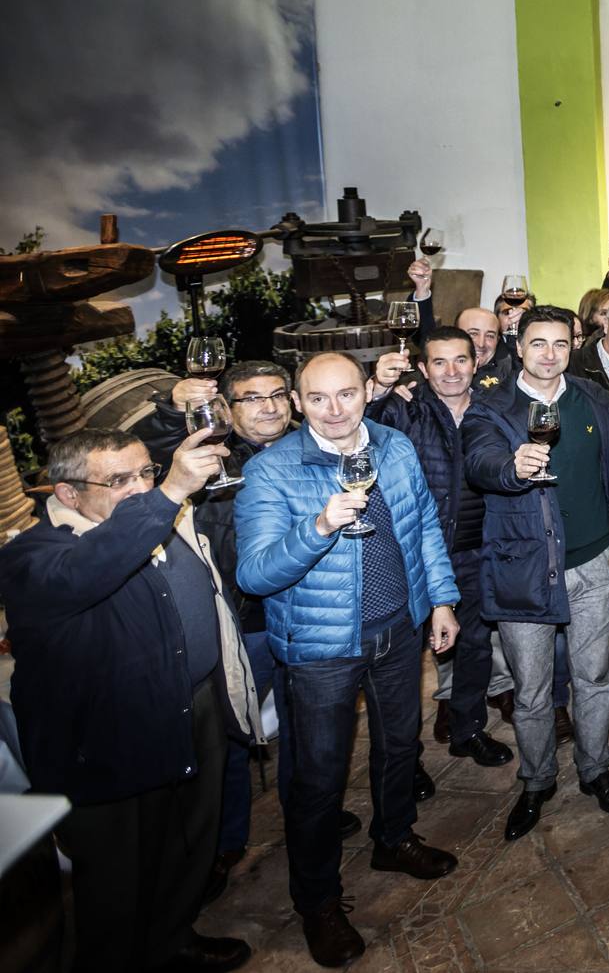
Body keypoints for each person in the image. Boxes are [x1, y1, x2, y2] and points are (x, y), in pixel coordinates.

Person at [0, 427, 258, 973]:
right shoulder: (33, 557)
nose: (142, 488)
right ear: (67, 493)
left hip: (193, 710)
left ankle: (172, 938)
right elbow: (91, 572)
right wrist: (166, 494)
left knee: (188, 846)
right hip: (109, 742)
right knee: (116, 880)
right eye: (120, 479)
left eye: (146, 472)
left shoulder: (152, 523)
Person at [237, 353, 461, 966]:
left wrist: (440, 599)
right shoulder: (272, 470)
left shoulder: (392, 445)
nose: (335, 410)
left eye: (346, 394)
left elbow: (423, 532)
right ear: (296, 402)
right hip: (322, 648)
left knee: (399, 744)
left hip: (398, 628)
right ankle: (318, 901)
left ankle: (394, 838)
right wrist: (318, 526)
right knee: (319, 777)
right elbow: (254, 573)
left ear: (368, 391)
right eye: (317, 398)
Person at [462, 306, 609, 843]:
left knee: (592, 679)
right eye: (538, 343)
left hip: (595, 565)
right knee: (534, 691)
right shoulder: (491, 408)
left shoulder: (595, 400)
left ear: (574, 346)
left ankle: (596, 768)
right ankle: (537, 780)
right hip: (526, 572)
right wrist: (511, 468)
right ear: (518, 346)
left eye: (560, 344)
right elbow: (479, 463)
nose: (549, 355)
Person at [131, 358, 305, 889]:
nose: (270, 406)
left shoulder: (307, 443)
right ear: (225, 407)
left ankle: (306, 815)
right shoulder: (208, 455)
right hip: (240, 621)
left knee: (305, 726)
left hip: (305, 615)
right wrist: (170, 410)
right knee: (228, 737)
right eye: (252, 397)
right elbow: (149, 458)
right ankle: (223, 843)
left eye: (277, 393)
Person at [369, 330, 516, 771]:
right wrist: (377, 388)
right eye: (439, 362)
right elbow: (361, 428)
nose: (451, 372)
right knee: (404, 662)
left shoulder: (494, 410)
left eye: (460, 361)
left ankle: (467, 730)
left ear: (476, 364)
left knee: (473, 645)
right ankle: (403, 759)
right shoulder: (404, 408)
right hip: (409, 553)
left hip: (476, 550)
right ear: (423, 368)